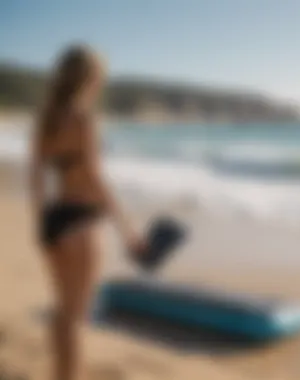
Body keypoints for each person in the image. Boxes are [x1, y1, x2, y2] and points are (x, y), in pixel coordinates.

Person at [30, 44, 144, 380]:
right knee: (77, 317)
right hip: (82, 220)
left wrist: (41, 225)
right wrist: (127, 227)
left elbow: (36, 176)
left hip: (55, 219)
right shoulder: (83, 118)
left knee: (62, 313)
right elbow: (94, 176)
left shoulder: (46, 119)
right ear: (89, 79)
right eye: (99, 78)